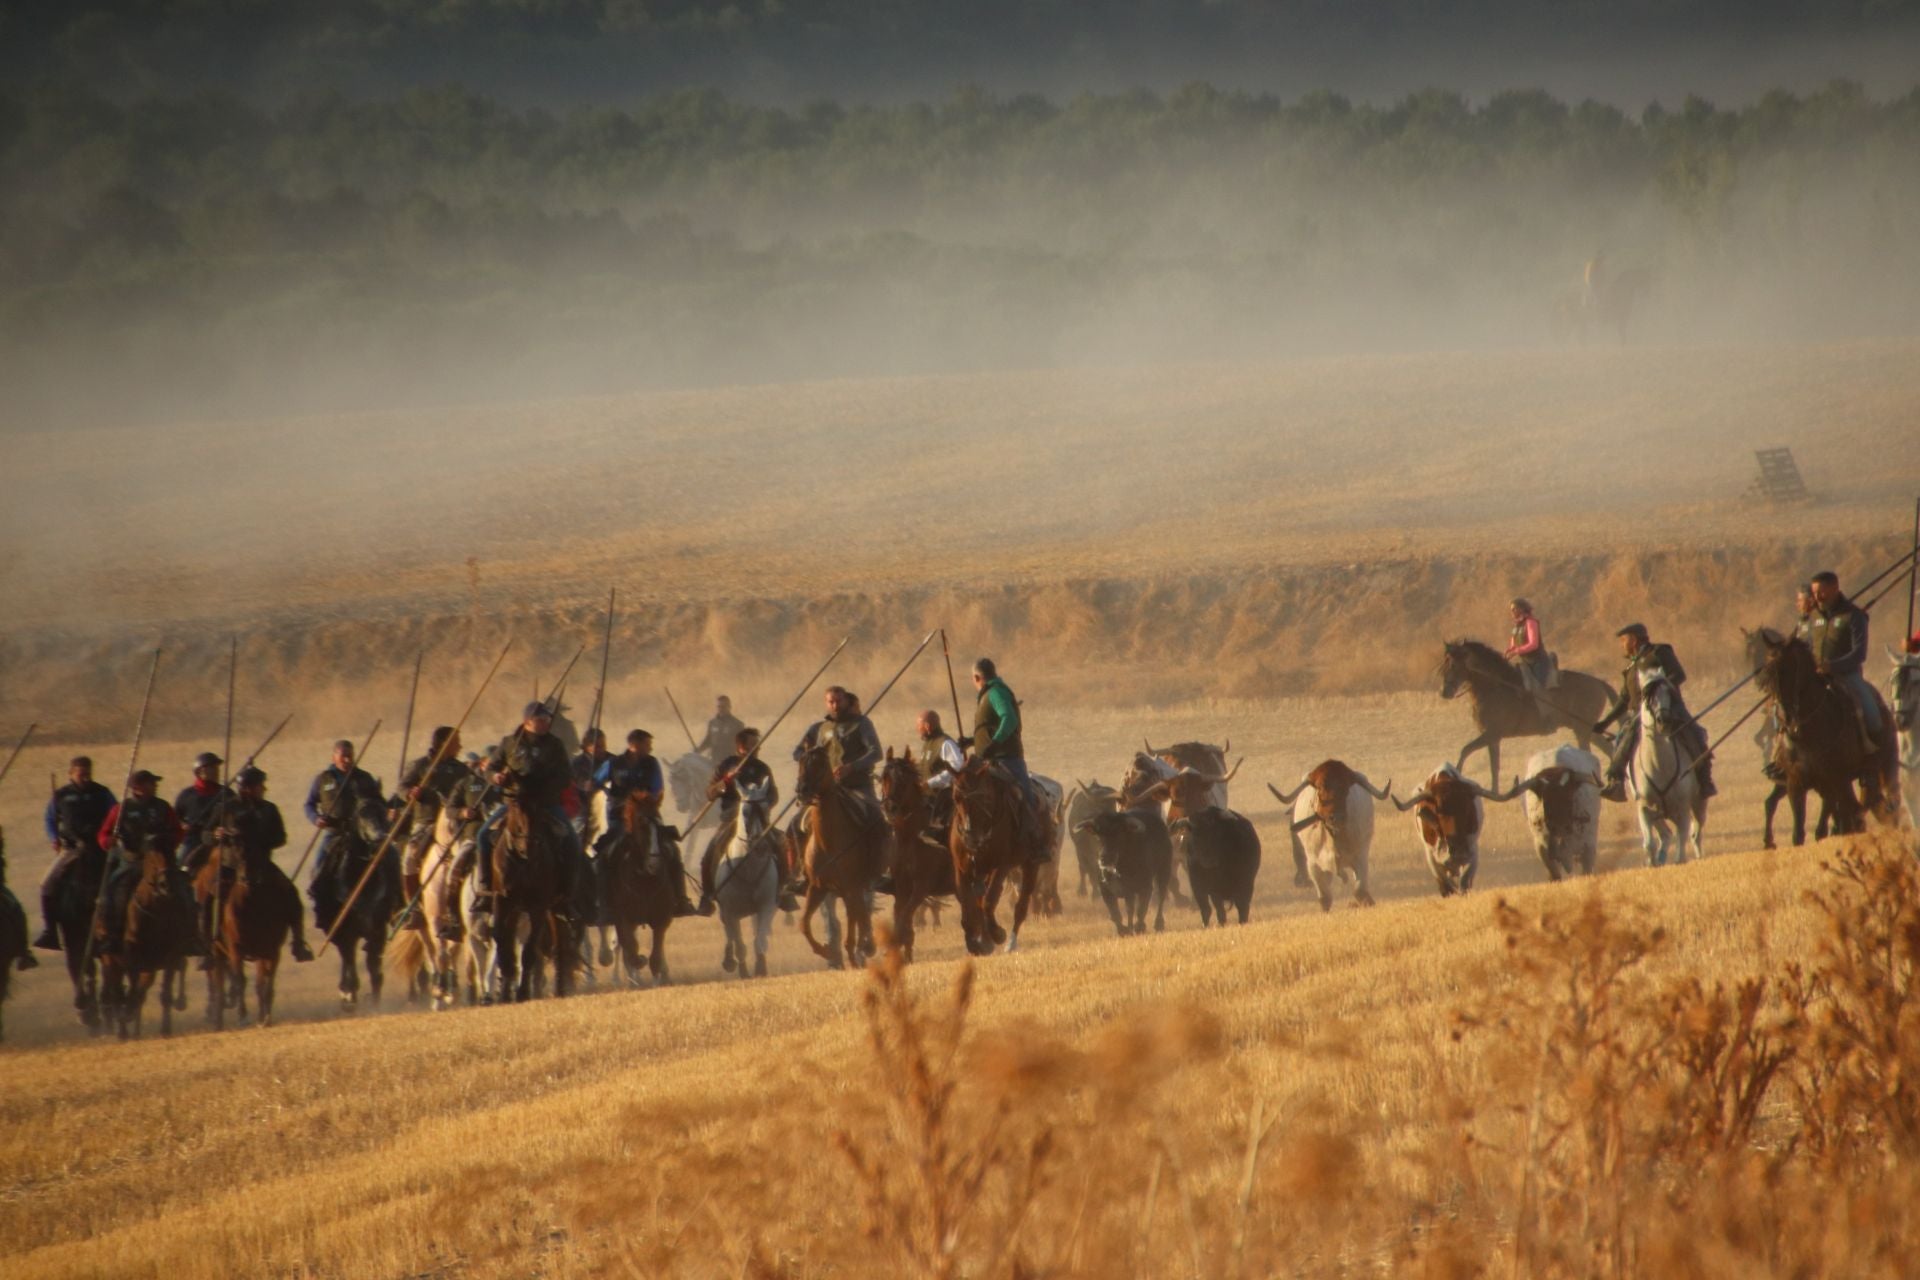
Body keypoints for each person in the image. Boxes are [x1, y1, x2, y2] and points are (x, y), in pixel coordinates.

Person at [481, 702, 584, 915]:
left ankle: (567, 895)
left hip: (546, 804)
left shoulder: (555, 745)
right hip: (515, 804)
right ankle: (486, 889)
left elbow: (565, 775)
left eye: (547, 720)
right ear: (527, 722)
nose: (545, 723)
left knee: (573, 842)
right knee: (483, 835)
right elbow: (491, 768)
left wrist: (546, 788)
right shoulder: (510, 743)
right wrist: (496, 777)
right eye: (540, 720)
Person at [1593, 624, 1715, 802]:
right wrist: (1605, 722)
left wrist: (1659, 688)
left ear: (1634, 639)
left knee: (1695, 734)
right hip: (1640, 714)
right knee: (1622, 741)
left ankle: (1705, 781)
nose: (1622, 644)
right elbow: (1624, 699)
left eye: (1624, 640)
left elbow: (1679, 675)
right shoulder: (1630, 667)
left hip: (1669, 708)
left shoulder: (1659, 653)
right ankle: (1616, 783)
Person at [204, 766, 314, 962]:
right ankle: (208, 944)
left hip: (261, 864)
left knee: (291, 892)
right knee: (211, 898)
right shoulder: (226, 809)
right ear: (246, 788)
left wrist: (259, 840)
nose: (263, 789)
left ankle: (298, 942)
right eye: (259, 785)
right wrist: (216, 834)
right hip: (231, 864)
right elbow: (205, 835)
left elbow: (280, 837)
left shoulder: (269, 809)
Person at [597, 728, 698, 917]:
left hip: (648, 814)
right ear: (633, 744)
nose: (650, 748)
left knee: (671, 851)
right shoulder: (614, 764)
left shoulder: (651, 764)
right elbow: (595, 781)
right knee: (605, 855)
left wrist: (646, 802)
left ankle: (680, 899)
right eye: (647, 744)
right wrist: (603, 791)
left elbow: (657, 788)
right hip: (619, 818)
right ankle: (603, 903)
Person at [95, 770, 192, 957]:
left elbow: (178, 832)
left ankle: (189, 937)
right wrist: (109, 841)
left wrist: (170, 842)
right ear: (137, 788)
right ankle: (112, 937)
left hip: (159, 862)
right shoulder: (120, 809)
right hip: (132, 862)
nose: (155, 786)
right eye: (150, 783)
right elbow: (103, 834)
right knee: (112, 894)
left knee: (184, 892)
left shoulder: (163, 807)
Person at [970, 657, 1050, 860]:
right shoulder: (988, 694)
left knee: (1025, 796)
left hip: (1007, 759)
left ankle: (1037, 842)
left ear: (977, 677)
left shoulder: (996, 692)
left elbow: (1009, 718)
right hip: (987, 760)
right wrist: (970, 741)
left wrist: (995, 743)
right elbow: (990, 728)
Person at [34, 756, 116, 952]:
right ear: (71, 774)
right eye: (81, 774)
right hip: (71, 849)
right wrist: (54, 838)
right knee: (47, 884)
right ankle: (50, 931)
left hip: (99, 849)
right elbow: (50, 820)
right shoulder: (61, 796)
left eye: (88, 774)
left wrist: (111, 836)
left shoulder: (102, 793)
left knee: (121, 880)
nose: (85, 778)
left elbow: (115, 814)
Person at [698, 727, 783, 914]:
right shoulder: (726, 765)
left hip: (758, 819)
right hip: (731, 818)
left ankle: (784, 889)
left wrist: (764, 805)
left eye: (758, 744)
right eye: (753, 744)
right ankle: (707, 896)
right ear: (741, 747)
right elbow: (710, 793)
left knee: (782, 844)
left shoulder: (762, 768)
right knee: (708, 855)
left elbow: (773, 795)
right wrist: (726, 781)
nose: (757, 748)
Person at [392, 727, 469, 930]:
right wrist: (411, 792)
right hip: (426, 821)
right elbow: (401, 788)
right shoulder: (419, 766)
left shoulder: (461, 770)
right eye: (456, 741)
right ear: (443, 743)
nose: (460, 746)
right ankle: (414, 909)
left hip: (455, 823)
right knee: (409, 858)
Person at [1806, 570, 1882, 754]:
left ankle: (1874, 760)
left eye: (1821, 592)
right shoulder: (1813, 616)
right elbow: (1808, 647)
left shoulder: (1854, 615)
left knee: (1873, 716)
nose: (1817, 597)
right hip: (1816, 677)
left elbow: (1859, 654)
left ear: (1835, 588)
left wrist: (1832, 666)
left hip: (1848, 676)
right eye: (1814, 592)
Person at [303, 739, 384, 893]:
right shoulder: (323, 779)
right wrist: (316, 818)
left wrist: (385, 812)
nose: (347, 760)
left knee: (386, 859)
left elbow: (379, 802)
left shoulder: (364, 778)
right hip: (334, 833)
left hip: (361, 834)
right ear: (334, 757)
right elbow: (309, 804)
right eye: (343, 756)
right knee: (319, 865)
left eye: (350, 756)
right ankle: (317, 893)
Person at [793, 686, 883, 800]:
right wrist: (811, 760)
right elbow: (797, 752)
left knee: (873, 814)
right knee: (799, 817)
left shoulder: (861, 723)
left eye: (839, 701)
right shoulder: (820, 727)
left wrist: (851, 767)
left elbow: (876, 752)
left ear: (846, 701)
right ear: (826, 703)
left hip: (858, 786)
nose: (835, 706)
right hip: (826, 788)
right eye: (831, 702)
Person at [174, 752, 226, 871]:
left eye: (217, 767)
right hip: (194, 840)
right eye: (212, 767)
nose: (216, 771)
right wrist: (182, 826)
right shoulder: (186, 795)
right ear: (198, 771)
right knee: (181, 867)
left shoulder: (226, 794)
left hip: (219, 840)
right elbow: (175, 818)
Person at [1501, 598, 1556, 697]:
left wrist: (1516, 651)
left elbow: (1533, 644)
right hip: (1526, 663)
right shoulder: (1516, 626)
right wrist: (1508, 651)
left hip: (1538, 662)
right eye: (1511, 609)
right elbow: (1514, 645)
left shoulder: (1531, 622)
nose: (1512, 611)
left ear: (1521, 609)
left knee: (1538, 689)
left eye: (1514, 609)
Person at [695, 696, 747, 766]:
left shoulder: (737, 724)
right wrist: (698, 750)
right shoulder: (712, 723)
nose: (721, 709)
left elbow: (743, 745)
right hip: (713, 760)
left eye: (723, 706)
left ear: (729, 707)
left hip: (729, 762)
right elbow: (708, 740)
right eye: (719, 707)